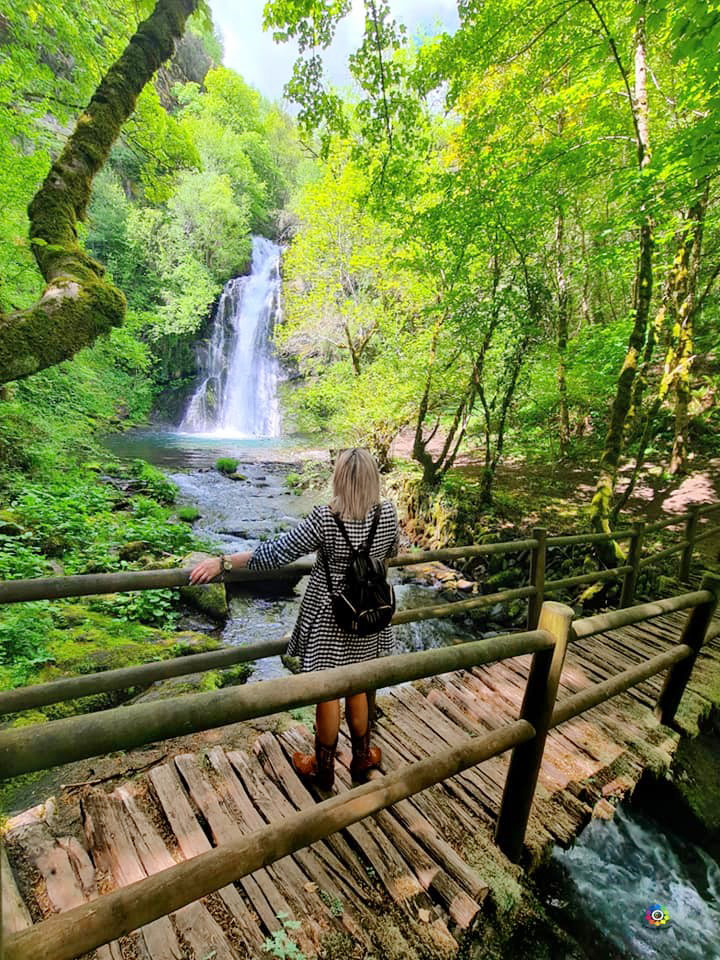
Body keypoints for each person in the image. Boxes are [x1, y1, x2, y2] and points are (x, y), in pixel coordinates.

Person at [189, 447, 399, 791]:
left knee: (327, 690)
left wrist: (224, 562)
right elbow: (391, 552)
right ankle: (361, 758)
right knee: (358, 683)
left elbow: (276, 553)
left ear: (339, 478)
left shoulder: (326, 518)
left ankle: (323, 769)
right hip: (369, 615)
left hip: (331, 618)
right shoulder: (388, 514)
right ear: (373, 479)